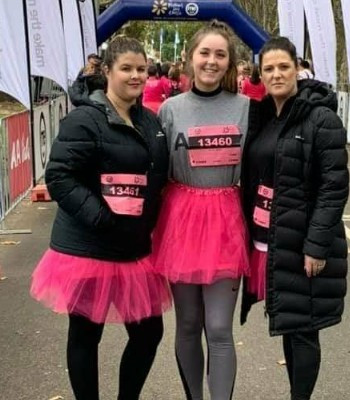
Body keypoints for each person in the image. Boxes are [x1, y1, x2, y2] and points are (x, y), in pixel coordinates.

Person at [30, 36, 171, 400]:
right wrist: (100, 217)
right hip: (88, 248)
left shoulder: (149, 121)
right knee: (86, 333)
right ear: (107, 71)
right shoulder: (84, 119)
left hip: (133, 249)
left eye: (141, 69)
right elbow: (59, 176)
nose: (135, 76)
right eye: (126, 68)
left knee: (148, 333)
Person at [240, 37, 349, 400]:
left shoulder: (321, 118)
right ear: (260, 74)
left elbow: (334, 187)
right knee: (290, 324)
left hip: (303, 242)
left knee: (303, 331)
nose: (276, 74)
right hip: (271, 238)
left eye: (283, 67)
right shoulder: (264, 115)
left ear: (298, 69)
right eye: (268, 68)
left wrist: (316, 245)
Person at [152, 20, 250, 400]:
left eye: (220, 54)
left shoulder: (246, 109)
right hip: (181, 221)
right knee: (189, 324)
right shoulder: (170, 109)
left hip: (226, 221)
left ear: (229, 62)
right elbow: (155, 169)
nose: (211, 61)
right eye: (204, 52)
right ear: (190, 57)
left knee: (220, 327)